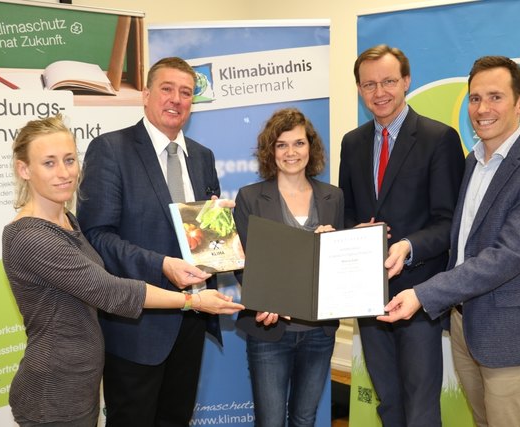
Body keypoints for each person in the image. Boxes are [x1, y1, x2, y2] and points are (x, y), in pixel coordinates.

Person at [2, 115, 244, 427]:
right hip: (53, 391)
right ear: (24, 170)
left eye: (69, 160)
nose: (64, 173)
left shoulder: (67, 221)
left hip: (80, 386)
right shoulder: (31, 236)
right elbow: (111, 291)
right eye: (49, 163)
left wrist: (212, 225)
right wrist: (192, 302)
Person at [378, 55, 520, 427]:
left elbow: (507, 256)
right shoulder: (473, 162)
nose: (482, 109)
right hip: (465, 326)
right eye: (475, 98)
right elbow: (461, 240)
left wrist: (423, 294)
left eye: (495, 97)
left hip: (509, 334)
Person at [76, 57, 227, 426]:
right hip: (136, 326)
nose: (176, 99)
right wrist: (161, 265)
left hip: (191, 320)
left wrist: (223, 232)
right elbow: (97, 236)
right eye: (167, 89)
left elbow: (206, 241)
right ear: (146, 95)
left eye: (186, 92)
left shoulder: (203, 158)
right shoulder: (111, 149)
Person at [338, 44, 465, 426]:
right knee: (388, 403)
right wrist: (349, 234)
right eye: (369, 84)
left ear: (406, 81)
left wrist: (408, 246)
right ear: (360, 89)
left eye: (389, 81)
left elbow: (449, 224)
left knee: (421, 407)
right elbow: (347, 214)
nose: (380, 92)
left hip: (418, 293)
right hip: (368, 294)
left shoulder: (438, 138)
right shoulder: (352, 142)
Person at [233, 108, 344, 427]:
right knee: (269, 422)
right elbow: (243, 264)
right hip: (270, 329)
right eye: (282, 145)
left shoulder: (332, 198)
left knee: (305, 418)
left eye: (298, 143)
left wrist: (338, 243)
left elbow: (339, 265)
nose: (291, 152)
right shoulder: (251, 198)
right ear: (271, 151)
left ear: (311, 147)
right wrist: (261, 300)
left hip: (319, 332)